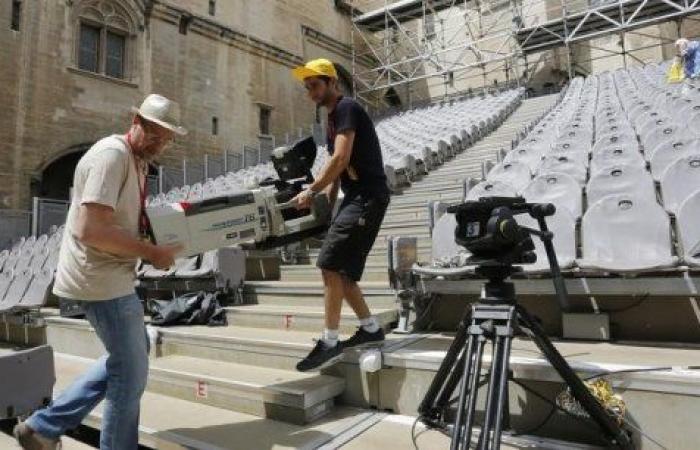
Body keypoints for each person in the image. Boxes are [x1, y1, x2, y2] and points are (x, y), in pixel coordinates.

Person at [14, 94, 186, 450]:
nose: (159, 143)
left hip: (111, 276)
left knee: (129, 357)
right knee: (131, 375)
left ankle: (41, 428)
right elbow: (91, 230)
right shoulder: (112, 155)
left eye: (166, 138)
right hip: (99, 282)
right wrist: (152, 252)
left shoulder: (136, 161)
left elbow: (116, 222)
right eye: (154, 133)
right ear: (135, 121)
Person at [290, 59, 391, 372]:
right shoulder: (333, 118)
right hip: (356, 197)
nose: (311, 93)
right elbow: (339, 170)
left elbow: (340, 157)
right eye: (307, 88)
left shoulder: (346, 108)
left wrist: (311, 190)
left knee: (329, 264)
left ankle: (330, 341)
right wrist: (329, 209)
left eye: (315, 86)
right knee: (341, 273)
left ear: (332, 82)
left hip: (368, 196)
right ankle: (371, 329)